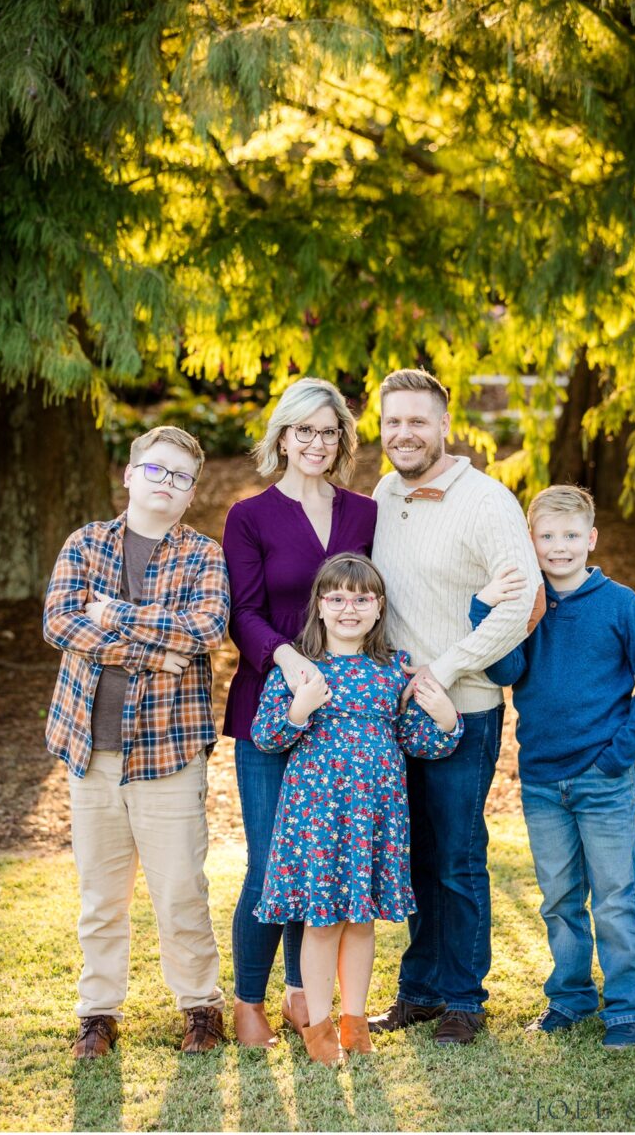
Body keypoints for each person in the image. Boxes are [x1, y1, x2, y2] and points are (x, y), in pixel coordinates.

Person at [370, 368, 545, 1045]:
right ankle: (419, 990)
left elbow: (522, 606)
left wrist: (443, 669)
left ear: (445, 426)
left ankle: (466, 999)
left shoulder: (487, 501)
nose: (404, 433)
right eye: (393, 422)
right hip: (397, 710)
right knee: (415, 854)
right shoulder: (384, 494)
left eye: (418, 421)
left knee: (457, 855)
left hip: (464, 707)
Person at [43, 426, 230, 1058]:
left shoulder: (204, 554)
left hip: (168, 751)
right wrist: (155, 651)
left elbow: (205, 628)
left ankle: (201, 1007)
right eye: (156, 470)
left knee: (180, 888)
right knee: (100, 895)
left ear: (190, 493)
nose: (166, 484)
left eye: (180, 477)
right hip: (88, 752)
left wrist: (112, 614)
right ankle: (98, 1013)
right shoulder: (86, 543)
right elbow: (60, 621)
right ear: (130, 475)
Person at [470, 484, 635, 1049]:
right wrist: (484, 607)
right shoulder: (528, 606)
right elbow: (504, 671)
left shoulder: (619, 603)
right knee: (559, 898)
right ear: (531, 542)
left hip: (603, 778)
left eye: (570, 536)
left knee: (615, 895)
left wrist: (619, 754)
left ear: (591, 538)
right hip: (540, 779)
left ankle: (629, 1006)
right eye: (547, 537)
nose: (559, 547)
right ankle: (571, 997)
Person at [251, 554, 462, 1066]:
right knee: (323, 922)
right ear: (319, 607)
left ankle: (355, 1020)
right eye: (337, 598)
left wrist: (447, 718)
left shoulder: (392, 667)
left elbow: (416, 741)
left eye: (362, 598)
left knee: (362, 920)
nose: (350, 608)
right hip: (318, 814)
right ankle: (319, 1025)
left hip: (375, 814)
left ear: (378, 607)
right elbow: (265, 736)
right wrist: (300, 708)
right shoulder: (301, 667)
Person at [222, 378, 377, 1047]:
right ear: (282, 436)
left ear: (342, 440)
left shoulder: (363, 513)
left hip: (342, 718)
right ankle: (248, 1000)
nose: (316, 442)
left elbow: (372, 598)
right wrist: (287, 660)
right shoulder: (249, 515)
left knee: (314, 863)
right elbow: (243, 613)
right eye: (303, 430)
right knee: (268, 862)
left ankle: (302, 998)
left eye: (328, 431)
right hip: (269, 701)